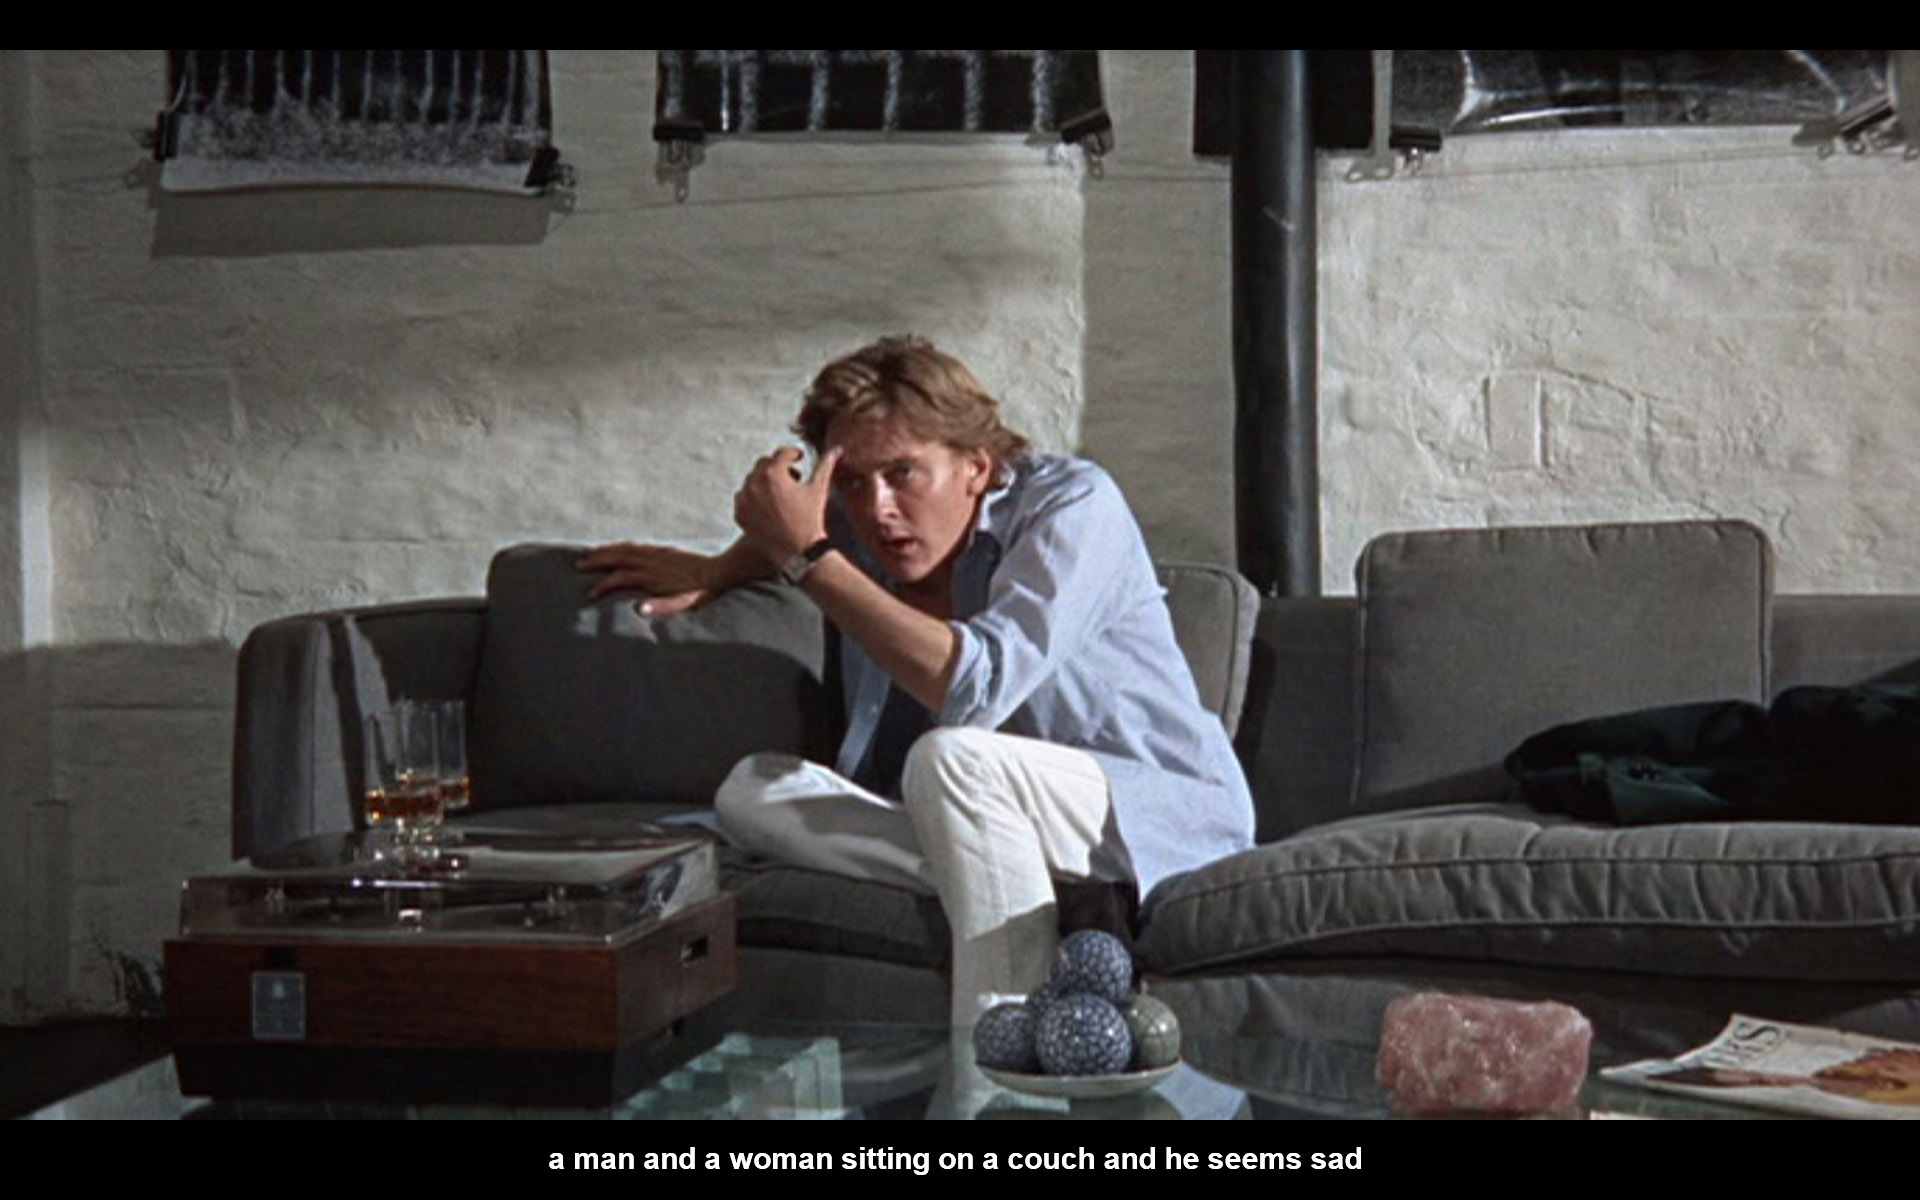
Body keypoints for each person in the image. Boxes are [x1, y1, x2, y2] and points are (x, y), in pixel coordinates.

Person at [581, 336, 1253, 1023]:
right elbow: (798, 533)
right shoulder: (860, 522)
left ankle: (999, 1051)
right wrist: (716, 570)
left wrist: (807, 558)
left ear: (976, 466)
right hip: (972, 816)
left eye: (902, 473)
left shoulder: (1073, 505)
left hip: (1141, 805)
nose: (876, 508)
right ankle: (1023, 878)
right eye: (851, 481)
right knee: (751, 790)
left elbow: (976, 688)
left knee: (950, 757)